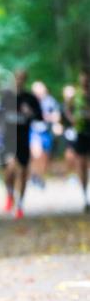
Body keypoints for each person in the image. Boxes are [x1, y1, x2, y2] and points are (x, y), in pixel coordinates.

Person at [0, 69, 42, 219]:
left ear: (25, 80)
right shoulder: (6, 97)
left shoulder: (30, 98)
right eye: (17, 78)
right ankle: (9, 193)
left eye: (22, 78)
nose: (19, 81)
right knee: (9, 170)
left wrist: (30, 113)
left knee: (23, 172)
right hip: (8, 140)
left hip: (23, 140)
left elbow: (40, 117)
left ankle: (20, 203)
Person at [64, 71, 90, 211]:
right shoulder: (76, 95)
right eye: (83, 80)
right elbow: (67, 109)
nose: (84, 82)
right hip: (81, 132)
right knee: (81, 164)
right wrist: (72, 119)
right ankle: (85, 197)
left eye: (86, 80)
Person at [29, 81, 60, 187]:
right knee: (36, 153)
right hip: (34, 131)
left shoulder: (50, 101)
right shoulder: (30, 101)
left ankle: (39, 176)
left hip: (46, 131)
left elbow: (56, 116)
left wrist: (55, 123)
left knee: (44, 157)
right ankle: (34, 175)